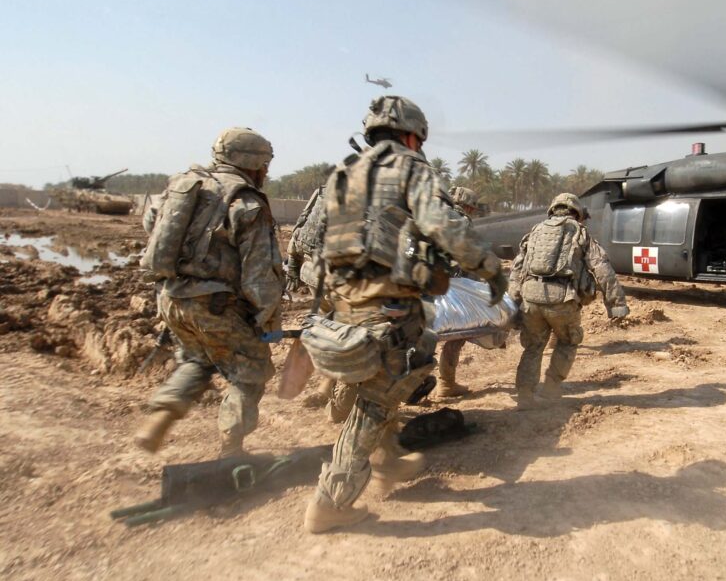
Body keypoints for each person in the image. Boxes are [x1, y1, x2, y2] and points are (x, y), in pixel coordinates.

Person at [304, 96, 506, 533]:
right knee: (381, 395)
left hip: (342, 301)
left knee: (389, 380)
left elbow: (310, 241)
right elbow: (444, 226)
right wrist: (489, 267)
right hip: (387, 306)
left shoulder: (342, 174)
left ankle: (387, 459)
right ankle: (331, 502)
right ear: (413, 137)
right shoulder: (411, 167)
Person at [134, 127, 284, 455]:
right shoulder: (246, 201)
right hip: (215, 306)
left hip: (171, 297)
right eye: (265, 165)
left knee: (198, 359)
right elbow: (260, 275)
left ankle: (161, 416)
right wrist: (267, 319)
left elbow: (152, 226)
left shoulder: (184, 186)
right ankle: (231, 450)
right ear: (255, 164)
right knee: (251, 370)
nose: (266, 172)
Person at [509, 193, 629, 409]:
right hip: (562, 299)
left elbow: (517, 269)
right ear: (576, 212)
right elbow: (602, 268)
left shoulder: (535, 231)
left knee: (533, 347)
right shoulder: (579, 232)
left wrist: (513, 302)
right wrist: (616, 304)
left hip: (531, 298)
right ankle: (550, 389)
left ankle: (525, 395)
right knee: (567, 341)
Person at [435, 186, 482, 398]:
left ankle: (412, 389)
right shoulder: (463, 222)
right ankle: (446, 383)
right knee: (457, 334)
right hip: (451, 288)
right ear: (468, 207)